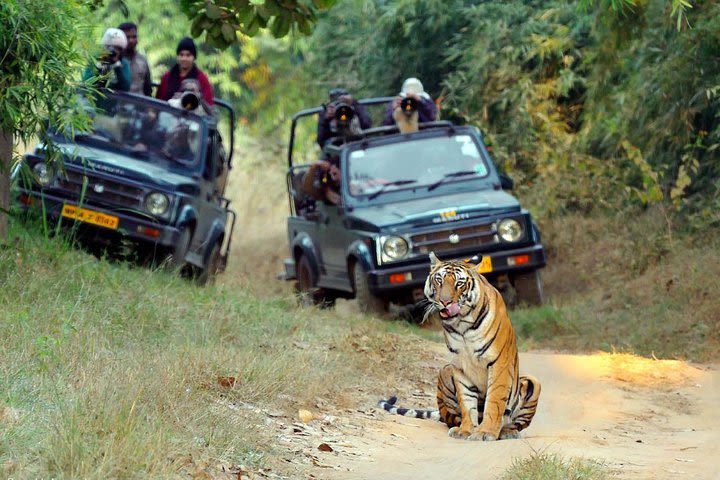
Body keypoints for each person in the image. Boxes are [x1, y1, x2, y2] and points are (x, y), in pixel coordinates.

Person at [156, 37, 214, 106]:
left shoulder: (201, 78)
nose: (184, 58)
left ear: (194, 57)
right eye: (181, 55)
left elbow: (208, 105)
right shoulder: (167, 77)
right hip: (167, 113)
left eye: (188, 55)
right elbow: (158, 101)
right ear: (177, 56)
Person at [82, 28, 131, 92]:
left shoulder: (123, 63)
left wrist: (116, 65)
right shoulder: (95, 60)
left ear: (122, 51)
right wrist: (99, 66)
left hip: (115, 100)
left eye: (118, 48)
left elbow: (126, 87)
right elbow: (86, 83)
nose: (113, 51)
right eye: (109, 47)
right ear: (104, 47)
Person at [118, 22, 152, 96]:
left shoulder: (142, 60)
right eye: (127, 37)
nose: (131, 40)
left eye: (134, 37)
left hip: (139, 104)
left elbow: (148, 88)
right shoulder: (113, 60)